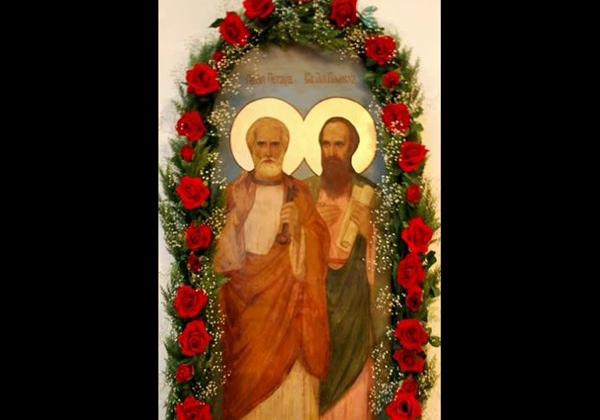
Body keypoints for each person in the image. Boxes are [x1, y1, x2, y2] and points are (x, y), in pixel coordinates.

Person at [214, 117, 331, 420]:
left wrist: (300, 232)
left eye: (275, 144)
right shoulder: (235, 192)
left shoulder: (299, 192)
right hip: (246, 316)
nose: (268, 151)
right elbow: (221, 263)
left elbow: (320, 243)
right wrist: (236, 219)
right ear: (250, 148)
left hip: (289, 314)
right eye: (261, 144)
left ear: (285, 148)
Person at [305, 117, 389, 420]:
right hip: (314, 305)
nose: (331, 152)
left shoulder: (370, 195)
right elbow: (286, 253)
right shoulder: (306, 192)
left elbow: (387, 267)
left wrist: (370, 234)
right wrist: (310, 227)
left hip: (354, 309)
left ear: (352, 147)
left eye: (338, 144)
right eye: (325, 144)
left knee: (353, 398)